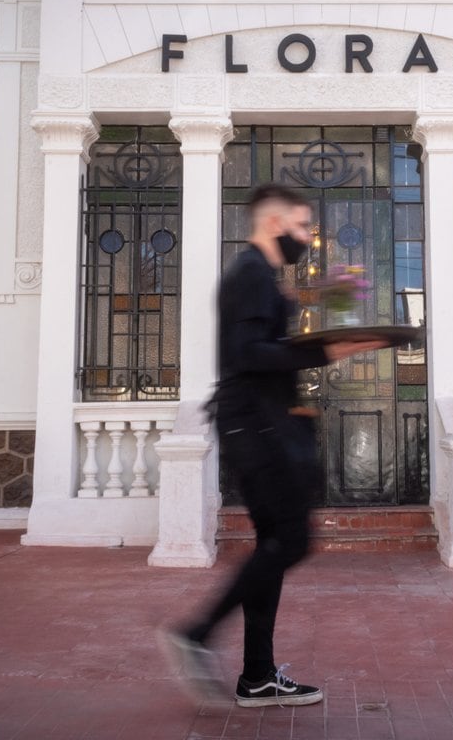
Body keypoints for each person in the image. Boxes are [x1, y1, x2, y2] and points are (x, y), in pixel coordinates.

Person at [160, 183, 384, 708]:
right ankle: (196, 634)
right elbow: (248, 353)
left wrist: (325, 343)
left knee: (275, 545)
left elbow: (260, 348)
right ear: (274, 223)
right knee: (291, 542)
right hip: (255, 427)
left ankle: (257, 675)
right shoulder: (250, 275)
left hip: (258, 423)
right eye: (303, 227)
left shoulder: (261, 279)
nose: (308, 238)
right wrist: (328, 349)